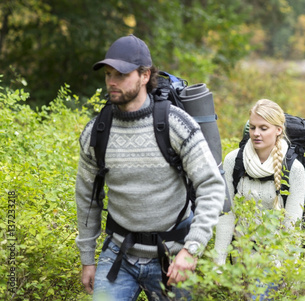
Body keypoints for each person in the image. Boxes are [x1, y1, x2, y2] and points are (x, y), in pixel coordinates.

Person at [74, 34, 226, 301]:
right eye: (108, 74)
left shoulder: (176, 124)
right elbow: (87, 198)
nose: (111, 81)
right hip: (119, 253)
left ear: (145, 76)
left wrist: (191, 250)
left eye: (120, 74)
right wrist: (88, 259)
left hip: (173, 254)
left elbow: (211, 186)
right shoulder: (96, 132)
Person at [214, 99, 305, 299]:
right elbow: (226, 213)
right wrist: (218, 260)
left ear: (278, 130)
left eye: (264, 128)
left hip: (274, 261)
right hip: (240, 257)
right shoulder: (234, 160)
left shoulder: (294, 169)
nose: (256, 133)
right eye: (253, 127)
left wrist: (293, 270)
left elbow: (292, 224)